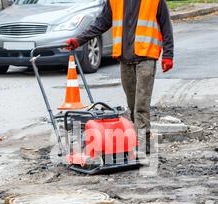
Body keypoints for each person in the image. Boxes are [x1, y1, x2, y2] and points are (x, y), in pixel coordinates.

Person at [66, 0, 174, 154]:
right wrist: (79, 40)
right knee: (132, 105)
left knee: (141, 106)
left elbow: (166, 26)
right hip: (125, 60)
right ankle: (143, 140)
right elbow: (101, 23)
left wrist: (168, 55)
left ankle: (142, 147)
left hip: (146, 58)